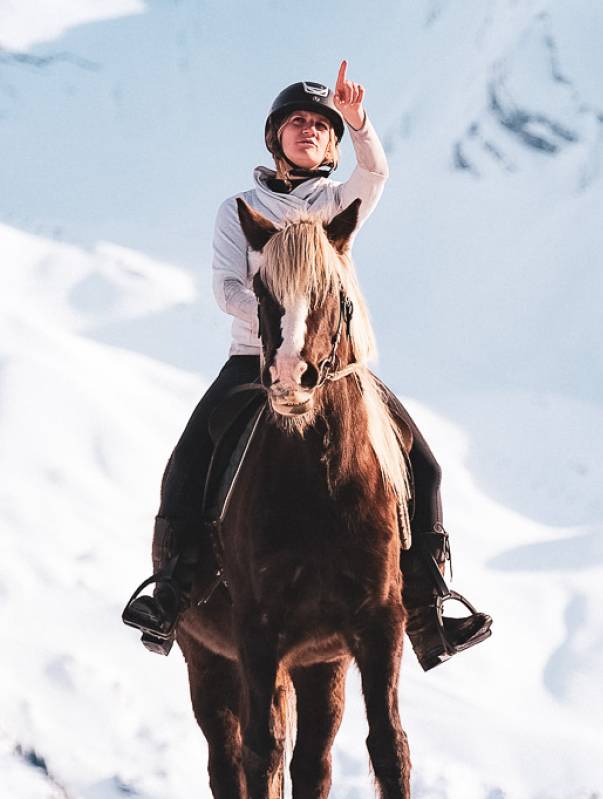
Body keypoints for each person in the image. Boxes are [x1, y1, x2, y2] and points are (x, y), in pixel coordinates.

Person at [122, 62, 492, 668]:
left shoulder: (338, 202)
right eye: (297, 122)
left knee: (423, 467)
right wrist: (279, 322)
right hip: (254, 361)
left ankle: (429, 612)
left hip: (338, 371)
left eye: (322, 127)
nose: (310, 131)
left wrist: (360, 121)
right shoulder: (239, 208)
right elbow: (225, 288)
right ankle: (169, 595)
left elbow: (375, 171)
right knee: (187, 462)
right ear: (275, 136)